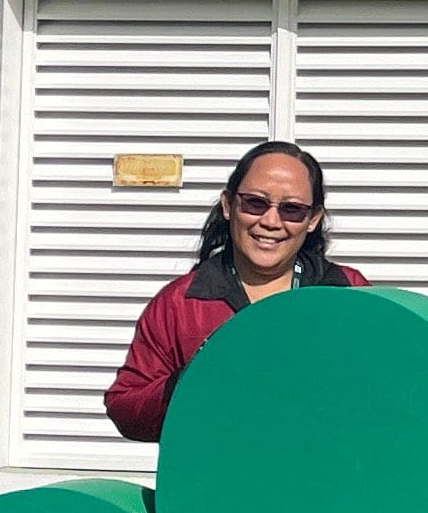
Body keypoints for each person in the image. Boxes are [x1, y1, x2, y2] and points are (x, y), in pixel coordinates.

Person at [104, 138, 362, 441]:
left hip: (326, 480)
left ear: (313, 220)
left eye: (292, 209)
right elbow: (125, 409)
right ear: (229, 206)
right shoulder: (180, 302)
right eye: (255, 203)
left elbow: (395, 390)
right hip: (215, 482)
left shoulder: (347, 292)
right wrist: (191, 381)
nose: (270, 221)